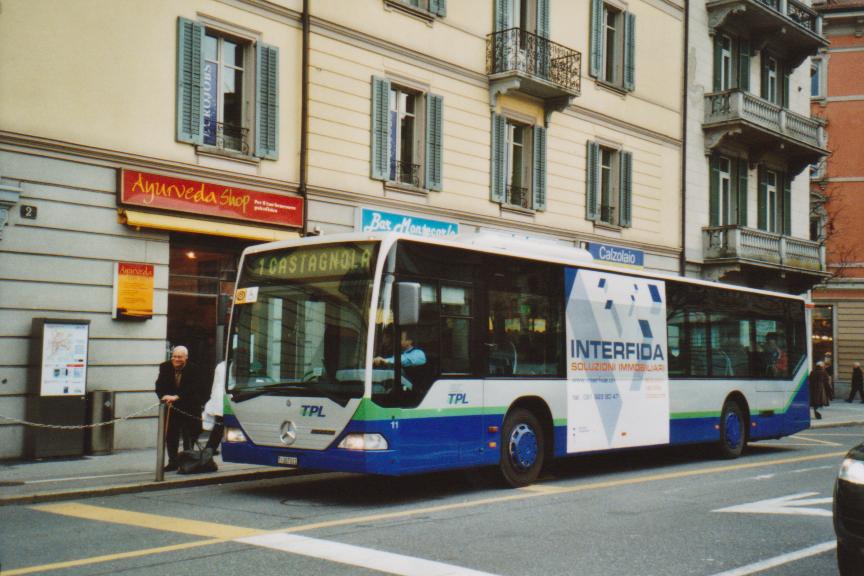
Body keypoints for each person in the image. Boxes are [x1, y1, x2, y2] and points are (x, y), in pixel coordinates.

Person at [155, 346, 207, 471]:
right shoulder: (165, 367)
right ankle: (173, 462)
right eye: (174, 356)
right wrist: (164, 396)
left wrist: (177, 396)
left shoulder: (194, 369)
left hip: (189, 406)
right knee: (171, 435)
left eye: (179, 357)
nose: (176, 359)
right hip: (172, 408)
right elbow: (159, 384)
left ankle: (188, 462)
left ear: (186, 358)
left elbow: (194, 387)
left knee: (189, 435)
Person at [202, 360, 226, 456]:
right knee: (220, 425)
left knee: (219, 425)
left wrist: (212, 397)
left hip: (218, 397)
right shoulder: (224, 366)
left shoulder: (220, 365)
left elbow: (215, 384)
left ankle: (210, 447)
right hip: (224, 398)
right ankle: (210, 447)